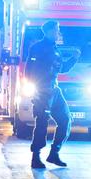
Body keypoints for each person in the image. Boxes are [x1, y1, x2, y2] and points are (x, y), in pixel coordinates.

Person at [26, 20, 77, 169]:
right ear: (48, 32)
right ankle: (36, 157)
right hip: (42, 91)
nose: (58, 33)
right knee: (42, 122)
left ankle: (54, 153)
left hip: (54, 90)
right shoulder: (37, 48)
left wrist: (74, 58)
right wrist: (35, 90)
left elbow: (62, 68)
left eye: (58, 30)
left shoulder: (55, 49)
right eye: (56, 30)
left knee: (66, 119)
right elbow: (29, 70)